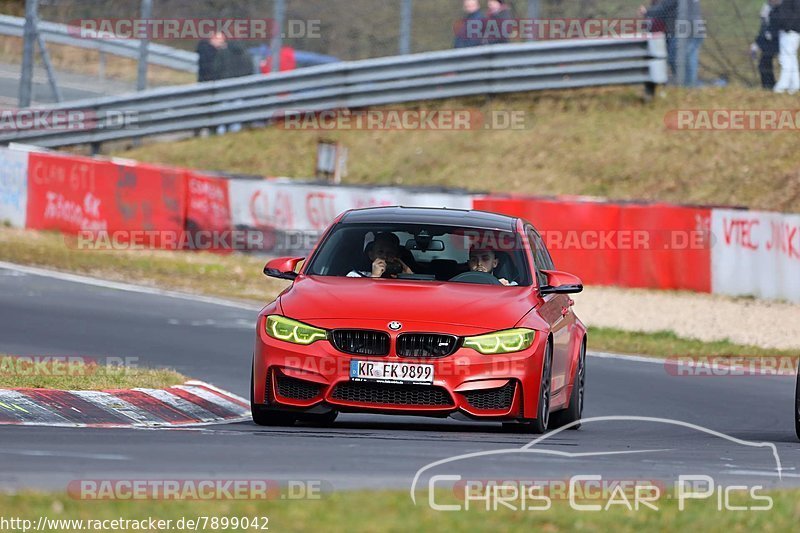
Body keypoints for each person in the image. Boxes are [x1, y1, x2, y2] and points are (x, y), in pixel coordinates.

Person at [639, 0, 704, 87]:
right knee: (689, 60)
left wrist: (647, 12)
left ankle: (688, 86)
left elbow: (663, 9)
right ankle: (689, 86)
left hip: (685, 31)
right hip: (695, 29)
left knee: (678, 59)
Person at [348, 233, 414, 279]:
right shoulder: (355, 276)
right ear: (371, 255)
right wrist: (374, 276)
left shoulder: (403, 277)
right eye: (380, 252)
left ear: (397, 257)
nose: (385, 256)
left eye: (390, 253)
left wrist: (408, 278)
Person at [752, 0, 782, 90]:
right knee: (764, 64)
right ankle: (769, 87)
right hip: (769, 40)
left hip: (779, 39)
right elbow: (763, 27)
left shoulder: (781, 7)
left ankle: (774, 87)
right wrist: (756, 44)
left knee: (786, 63)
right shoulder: (766, 8)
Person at [774, 0, 800, 93]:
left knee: (786, 59)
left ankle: (782, 86)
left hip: (789, 32)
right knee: (791, 58)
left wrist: (787, 27)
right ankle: (795, 85)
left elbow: (796, 13)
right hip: (792, 31)